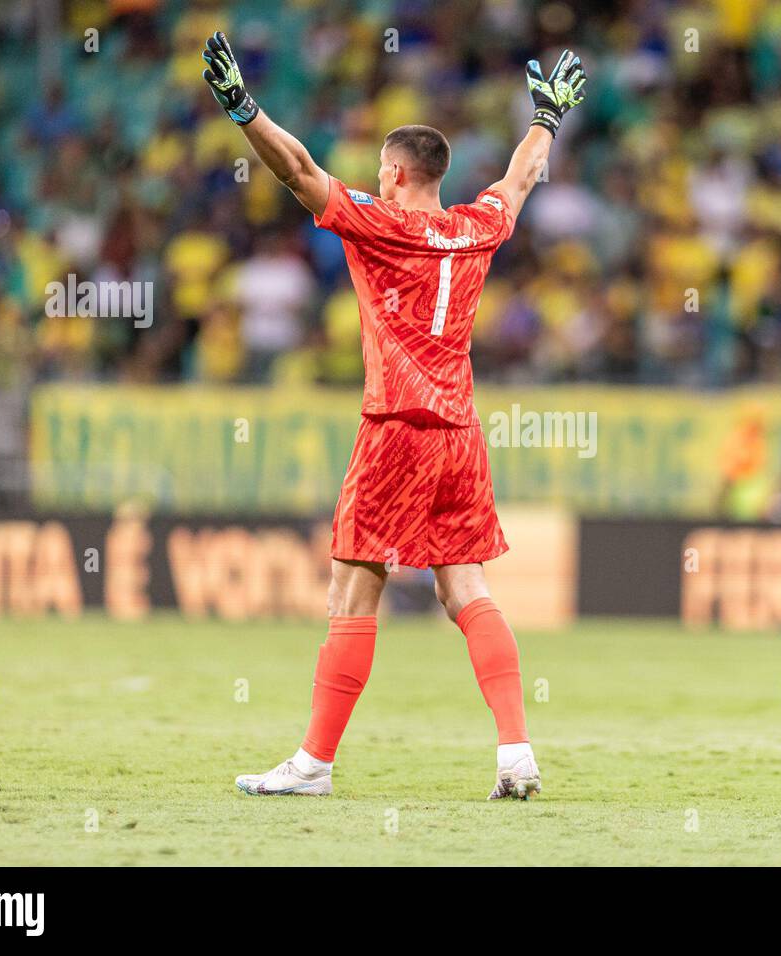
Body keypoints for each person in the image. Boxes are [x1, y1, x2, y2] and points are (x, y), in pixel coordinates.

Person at [201, 31, 586, 800]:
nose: (374, 178)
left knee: (353, 592)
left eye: (381, 168)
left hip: (396, 429)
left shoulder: (381, 225)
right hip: (459, 434)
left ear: (398, 173)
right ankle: (516, 754)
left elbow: (297, 170)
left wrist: (243, 109)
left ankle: (313, 763)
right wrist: (546, 116)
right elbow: (520, 179)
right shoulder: (478, 226)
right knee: (466, 591)